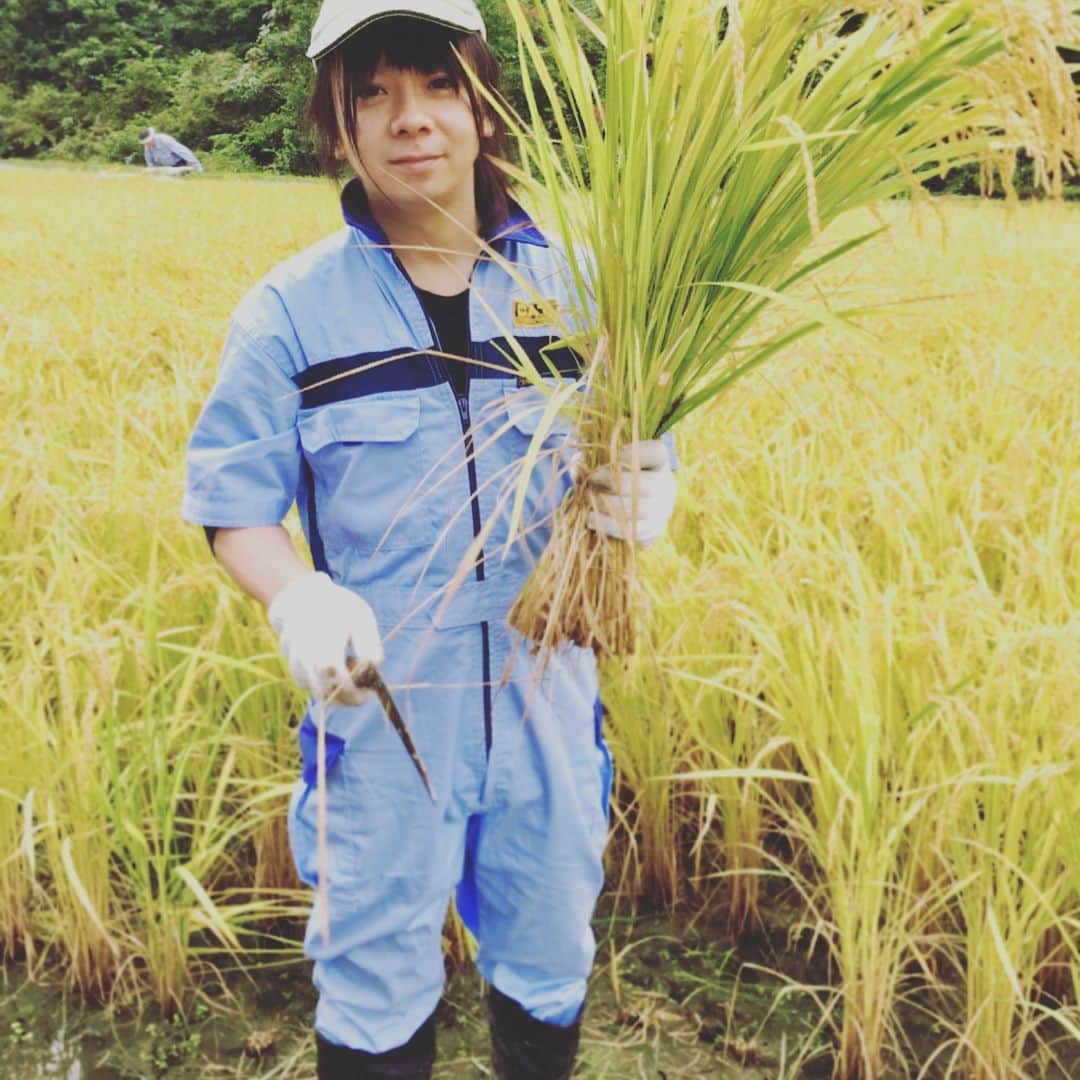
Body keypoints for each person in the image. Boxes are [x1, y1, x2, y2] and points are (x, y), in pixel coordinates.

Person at [181, 0, 676, 1076]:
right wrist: (298, 598)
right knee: (373, 993)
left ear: (483, 103)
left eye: (437, 84)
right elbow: (234, 500)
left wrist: (648, 487)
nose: (411, 119)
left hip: (551, 701)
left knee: (548, 966)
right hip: (383, 716)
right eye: (374, 94)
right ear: (339, 125)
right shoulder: (292, 313)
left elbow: (642, 439)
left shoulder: (587, 289)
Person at [137, 126, 203, 174]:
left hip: (179, 164)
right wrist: (153, 172)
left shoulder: (165, 140)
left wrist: (198, 167)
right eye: (144, 143)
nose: (146, 145)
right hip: (165, 168)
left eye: (147, 142)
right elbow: (149, 161)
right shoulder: (147, 146)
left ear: (152, 138)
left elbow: (183, 152)